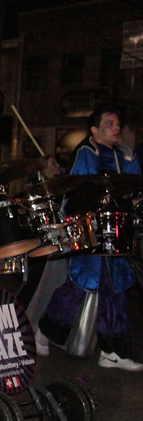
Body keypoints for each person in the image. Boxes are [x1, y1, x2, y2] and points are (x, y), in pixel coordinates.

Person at [35, 105, 142, 371]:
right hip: (91, 229)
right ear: (94, 130)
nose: (116, 128)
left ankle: (113, 351)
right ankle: (44, 331)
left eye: (118, 123)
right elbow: (78, 192)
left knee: (116, 287)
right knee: (82, 284)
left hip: (116, 230)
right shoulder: (87, 152)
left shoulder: (126, 155)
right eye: (109, 124)